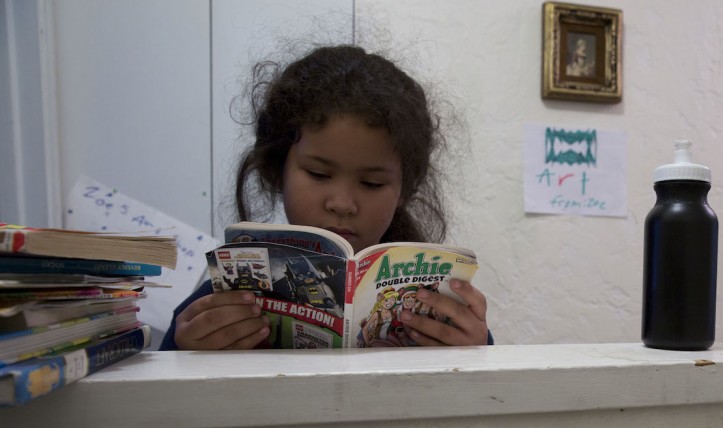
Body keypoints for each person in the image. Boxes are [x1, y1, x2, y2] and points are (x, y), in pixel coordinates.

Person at [160, 45, 489, 350]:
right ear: (278, 170)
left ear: (405, 189)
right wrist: (183, 354)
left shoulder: (441, 310)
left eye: (372, 183)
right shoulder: (217, 304)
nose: (343, 204)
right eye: (319, 175)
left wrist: (476, 352)